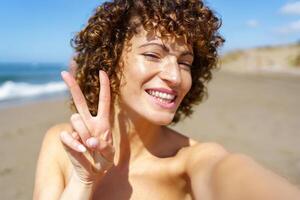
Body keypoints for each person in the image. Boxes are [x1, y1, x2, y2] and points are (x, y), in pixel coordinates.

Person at [33, 0, 300, 199]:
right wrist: (83, 181)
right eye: (152, 55)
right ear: (110, 60)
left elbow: (236, 176)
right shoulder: (62, 144)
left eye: (185, 62)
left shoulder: (191, 161)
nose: (175, 76)